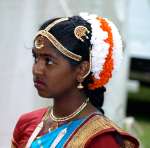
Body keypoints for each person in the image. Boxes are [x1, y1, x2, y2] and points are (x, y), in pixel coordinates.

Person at [11, 13, 139, 148]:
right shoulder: (27, 123)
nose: (37, 70)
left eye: (48, 61)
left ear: (82, 70)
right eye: (36, 58)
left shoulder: (102, 140)